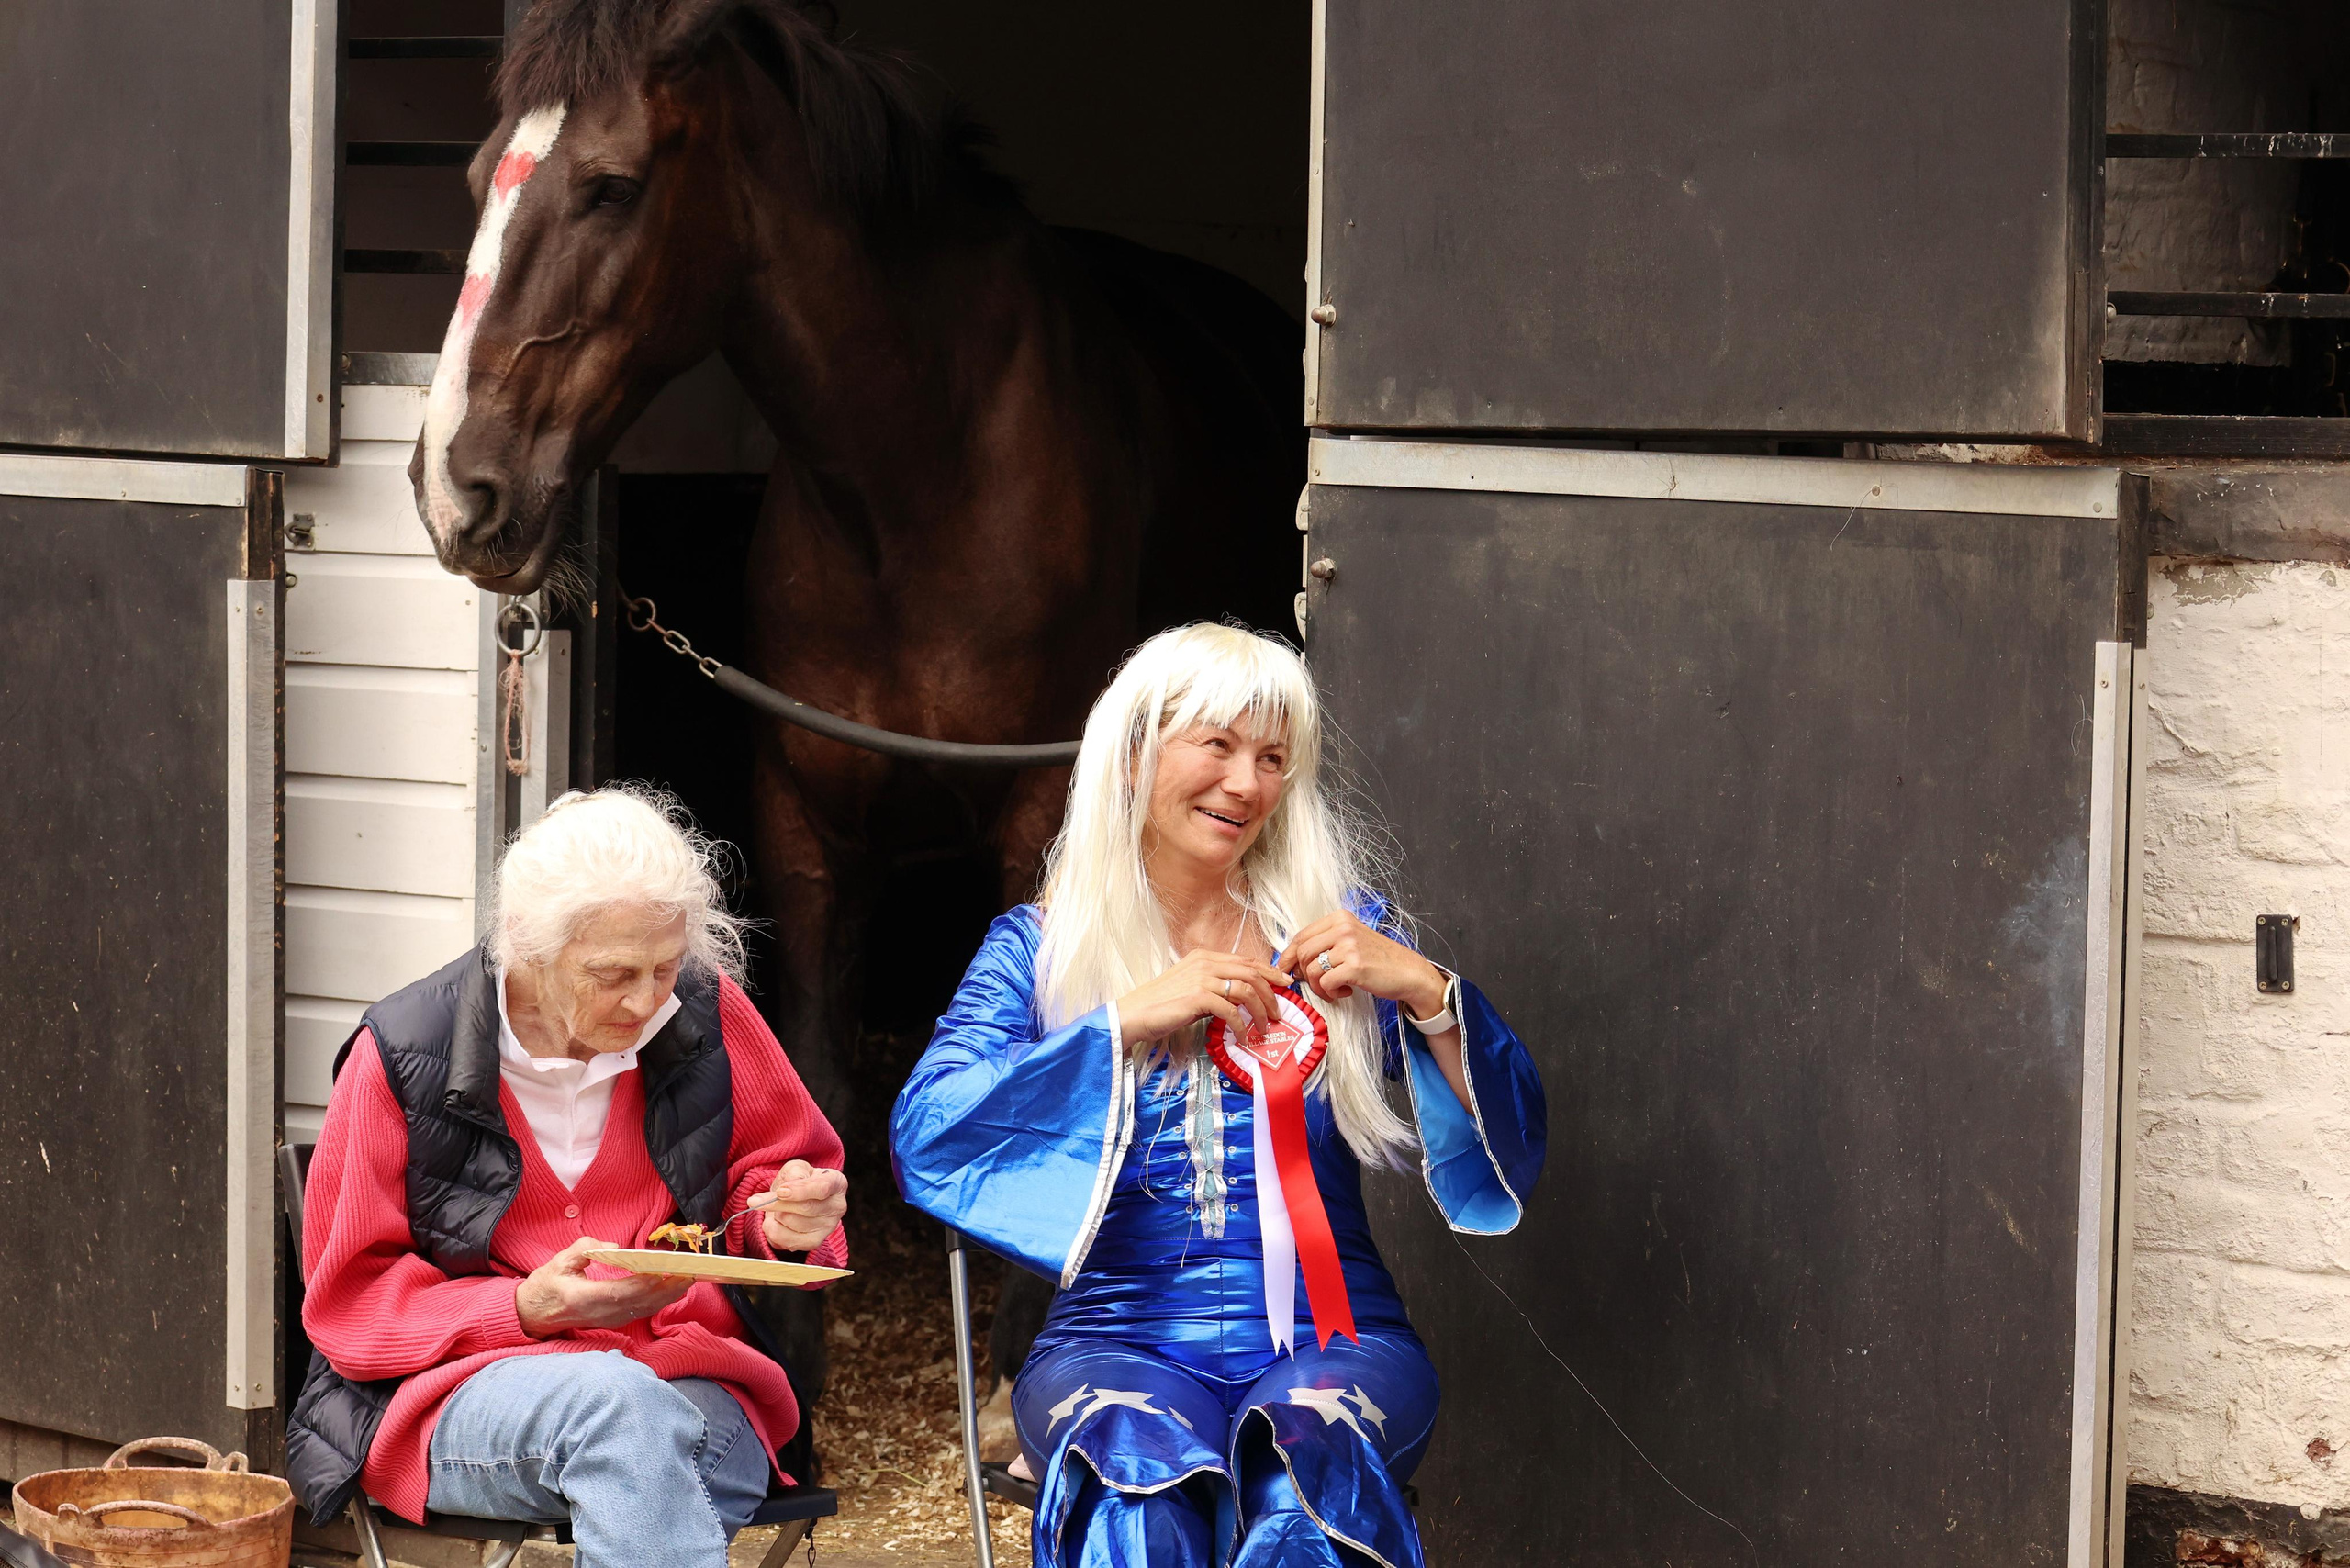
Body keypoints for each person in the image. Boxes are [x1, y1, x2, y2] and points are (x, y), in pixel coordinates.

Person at [892, 623, 1545, 1568]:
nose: (1246, 783)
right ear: (1132, 752)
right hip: (1111, 1340)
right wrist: (1115, 1025)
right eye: (1218, 745)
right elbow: (930, 1131)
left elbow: (1509, 1144)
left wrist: (1429, 991)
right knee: (1133, 1470)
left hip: (1339, 1338)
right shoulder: (1036, 949)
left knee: (1305, 1464)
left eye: (1273, 757)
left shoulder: (1339, 932)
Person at [285, 786, 850, 1568]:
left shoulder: (704, 1011)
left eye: (665, 966)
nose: (647, 1000)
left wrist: (781, 1220)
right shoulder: (403, 1054)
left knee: (645, 1450)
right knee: (622, 1418)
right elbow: (348, 1302)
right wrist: (521, 1307)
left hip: (686, 1375)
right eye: (614, 971)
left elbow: (777, 1176)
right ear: (526, 941)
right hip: (460, 1390)